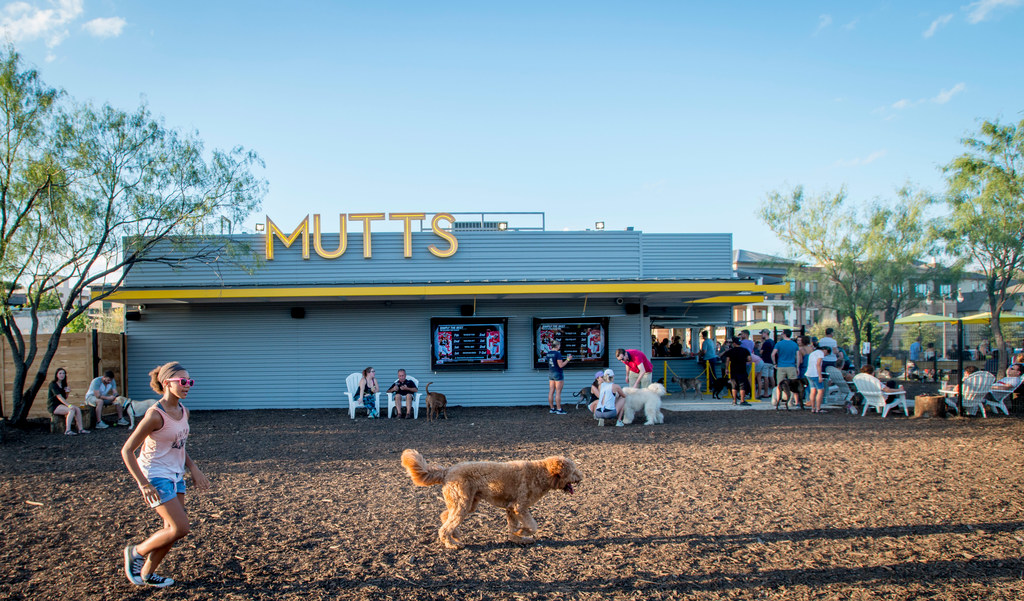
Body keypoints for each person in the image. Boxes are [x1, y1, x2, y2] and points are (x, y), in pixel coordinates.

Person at [120, 361, 209, 588]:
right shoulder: (154, 415)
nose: (187, 385)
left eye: (189, 381)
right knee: (181, 527)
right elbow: (127, 451)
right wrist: (143, 483)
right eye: (182, 381)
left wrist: (193, 467)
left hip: (175, 475)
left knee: (172, 530)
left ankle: (147, 574)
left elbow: (178, 445)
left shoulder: (183, 411)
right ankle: (136, 552)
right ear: (167, 383)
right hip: (155, 475)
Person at [47, 367, 88, 436]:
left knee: (77, 409)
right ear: (56, 375)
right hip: (54, 405)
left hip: (61, 405)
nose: (62, 375)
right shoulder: (53, 384)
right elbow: (59, 397)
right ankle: (68, 430)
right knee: (71, 410)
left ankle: (81, 429)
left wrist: (67, 392)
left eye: (63, 373)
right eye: (60, 373)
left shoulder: (63, 384)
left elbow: (64, 397)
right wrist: (69, 405)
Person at [722, 336, 753, 405]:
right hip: (742, 369)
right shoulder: (745, 350)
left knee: (734, 386)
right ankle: (742, 400)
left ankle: (734, 401)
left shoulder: (730, 351)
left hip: (733, 370)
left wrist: (726, 369)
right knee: (742, 385)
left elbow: (727, 361)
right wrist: (744, 360)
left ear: (734, 343)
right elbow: (749, 359)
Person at [546, 340, 572, 414]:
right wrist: (568, 359)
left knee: (551, 391)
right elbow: (561, 365)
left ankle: (552, 408)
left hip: (551, 373)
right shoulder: (557, 354)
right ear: (557, 346)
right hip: (558, 373)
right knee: (558, 392)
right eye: (559, 345)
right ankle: (559, 409)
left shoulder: (548, 353)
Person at [804, 343, 826, 413]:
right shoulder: (821, 353)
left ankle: (813, 408)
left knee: (812, 391)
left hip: (809, 373)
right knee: (820, 391)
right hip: (815, 374)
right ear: (825, 350)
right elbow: (818, 365)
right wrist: (820, 376)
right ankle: (818, 408)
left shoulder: (812, 353)